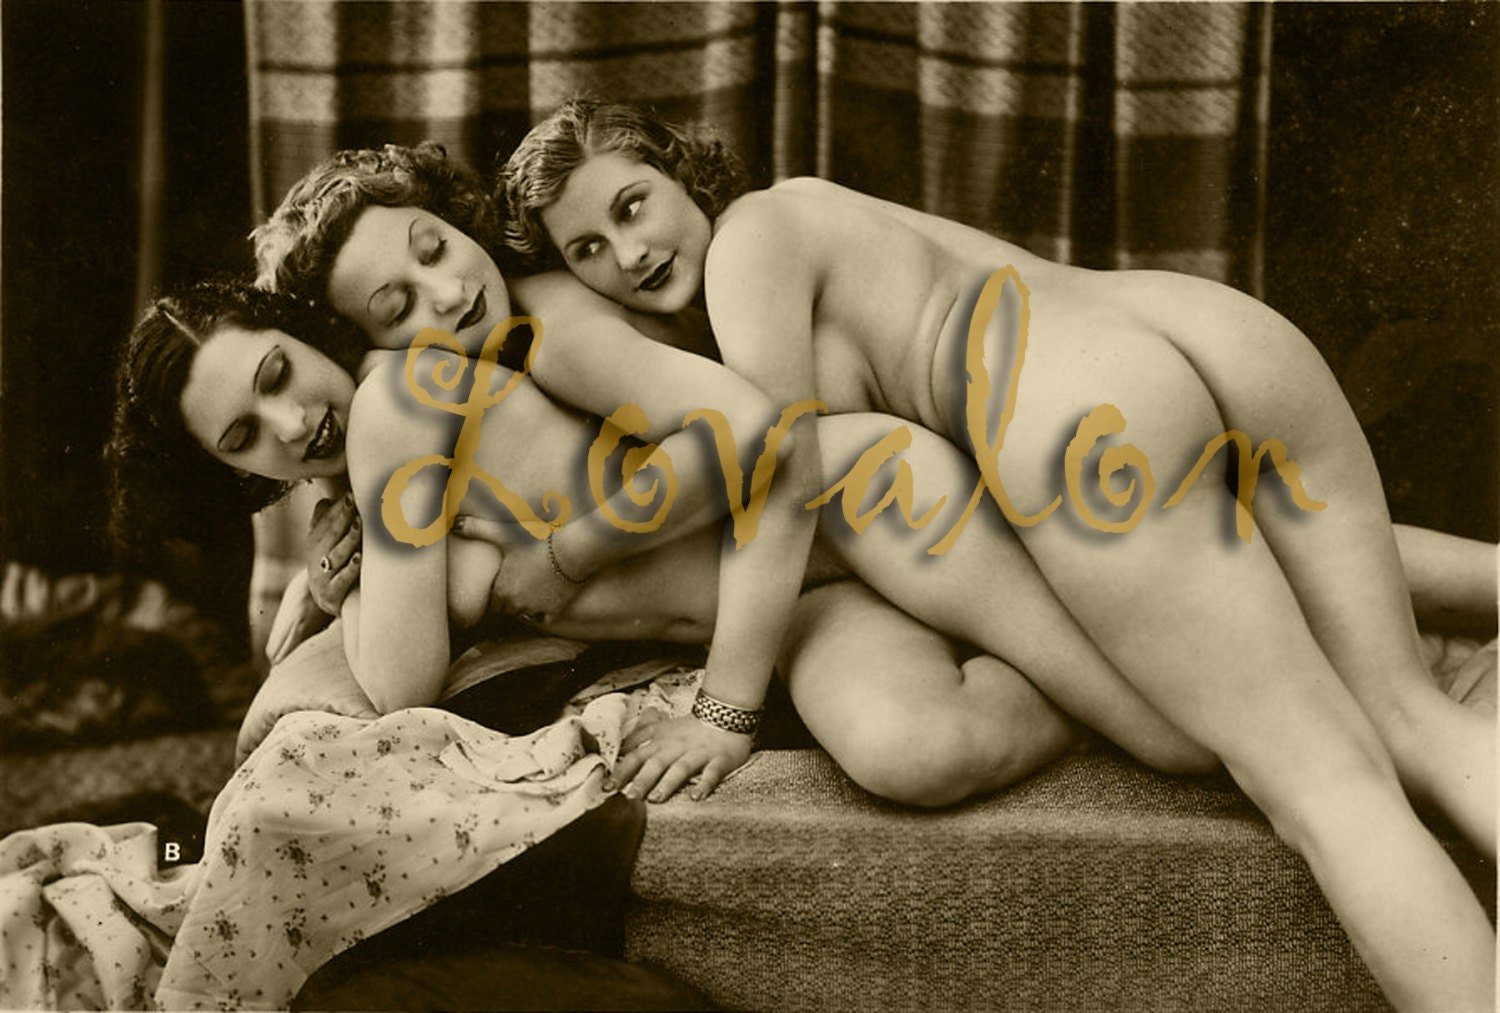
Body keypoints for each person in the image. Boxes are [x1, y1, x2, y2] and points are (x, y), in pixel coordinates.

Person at [495, 101, 1497, 1009]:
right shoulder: (806, 207)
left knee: (1327, 787)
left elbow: (783, 480)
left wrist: (725, 709)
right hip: (1212, 330)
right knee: (1406, 714)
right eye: (589, 248)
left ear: (682, 173)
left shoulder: (747, 250)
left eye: (633, 205)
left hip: (1079, 407)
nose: (628, 253)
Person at [251, 142, 1227, 799]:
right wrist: (339, 577)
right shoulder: (429, 419)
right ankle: (1083, 685)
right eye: (398, 306)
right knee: (915, 753)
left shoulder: (547, 317)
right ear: (368, 347)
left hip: (868, 502)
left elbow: (753, 430)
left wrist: (568, 555)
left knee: (1181, 735)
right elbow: (400, 670)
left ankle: (1147, 672)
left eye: (435, 248)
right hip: (802, 591)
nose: (447, 291)